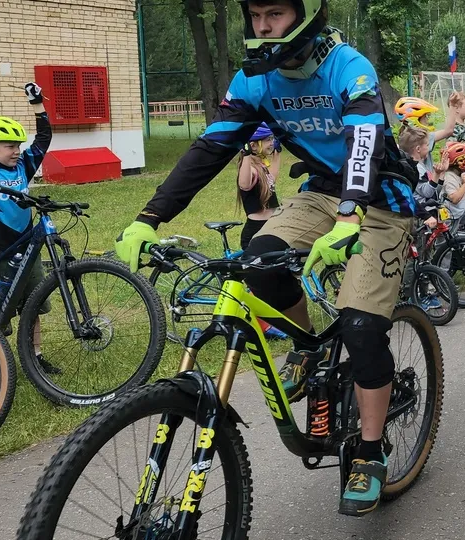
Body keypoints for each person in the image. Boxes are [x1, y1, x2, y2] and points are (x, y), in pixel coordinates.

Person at [114, 0, 417, 517]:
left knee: (361, 326)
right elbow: (210, 149)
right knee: (260, 260)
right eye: (255, 16)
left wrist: (350, 218)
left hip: (380, 200)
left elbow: (365, 138)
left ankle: (370, 449)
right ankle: (306, 348)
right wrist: (150, 215)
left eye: (273, 14)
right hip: (322, 192)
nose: (261, 27)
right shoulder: (256, 80)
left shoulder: (348, 67)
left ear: (305, 14)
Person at [0, 82, 56, 374]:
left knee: (34, 307)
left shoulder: (23, 167)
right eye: (9, 146)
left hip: (28, 250)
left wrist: (38, 104)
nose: (17, 151)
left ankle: (37, 357)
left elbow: (44, 138)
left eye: (18, 145)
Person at [237, 122, 281, 249]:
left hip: (270, 225)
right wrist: (246, 155)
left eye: (272, 139)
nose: (272, 142)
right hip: (256, 230)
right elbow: (244, 185)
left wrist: (277, 154)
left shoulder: (261, 166)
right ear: (253, 146)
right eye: (268, 139)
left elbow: (271, 180)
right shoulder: (250, 169)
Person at [396, 95, 459, 174]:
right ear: (415, 119)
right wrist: (452, 106)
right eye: (425, 117)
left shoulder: (403, 140)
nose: (427, 121)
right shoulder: (421, 139)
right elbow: (448, 131)